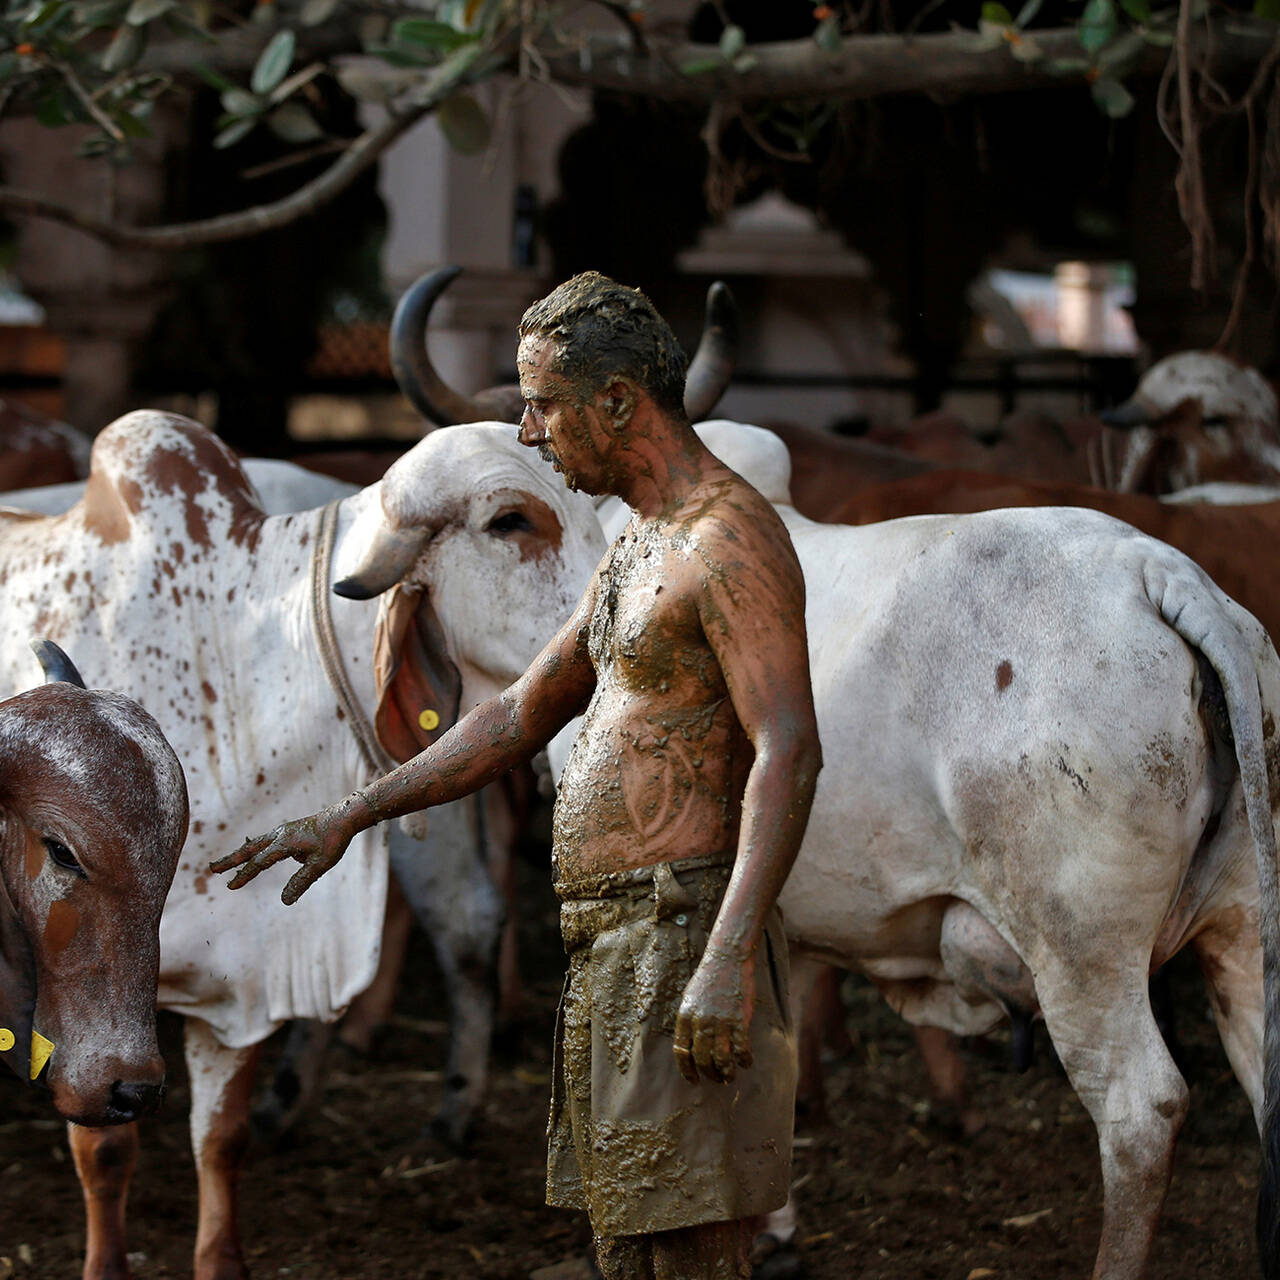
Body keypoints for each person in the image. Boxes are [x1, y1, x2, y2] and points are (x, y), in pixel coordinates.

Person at [211, 271, 822, 1280]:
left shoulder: (727, 541)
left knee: (695, 1246)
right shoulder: (639, 541)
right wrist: (351, 811)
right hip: (609, 937)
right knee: (625, 1241)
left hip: (681, 927)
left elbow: (787, 748)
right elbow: (515, 713)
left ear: (618, 401)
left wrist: (725, 953)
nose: (530, 431)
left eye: (542, 402)